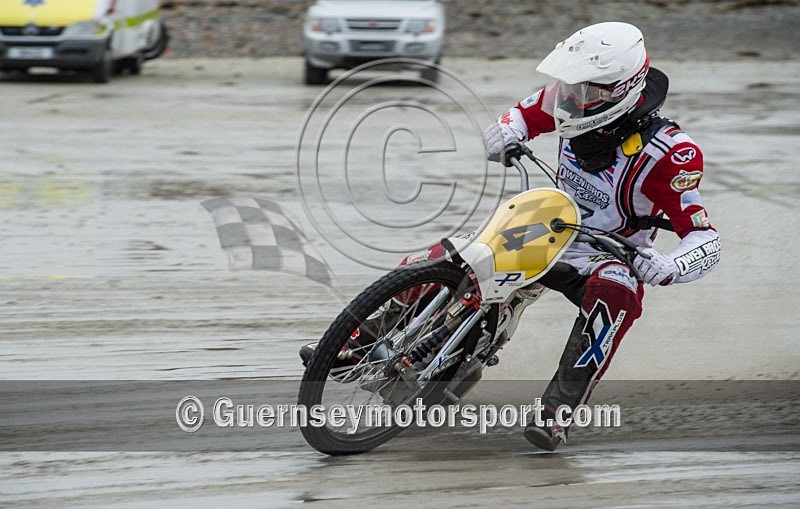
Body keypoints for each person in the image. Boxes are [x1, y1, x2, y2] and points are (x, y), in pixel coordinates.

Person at [479, 21, 720, 450]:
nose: (571, 99)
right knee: (467, 250)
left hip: (608, 252)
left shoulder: (671, 153)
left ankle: (557, 412)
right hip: (548, 223)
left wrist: (669, 265)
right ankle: (364, 337)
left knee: (617, 291)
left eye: (585, 91)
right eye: (571, 87)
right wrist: (505, 130)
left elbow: (705, 238)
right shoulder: (568, 95)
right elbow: (519, 114)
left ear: (620, 90)